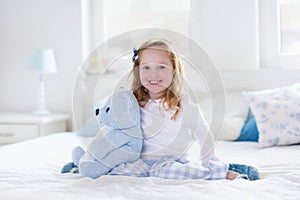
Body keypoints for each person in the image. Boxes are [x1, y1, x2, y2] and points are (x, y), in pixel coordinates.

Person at [106, 38, 260, 180]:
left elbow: (203, 134)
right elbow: (115, 129)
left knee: (166, 172)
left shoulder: (183, 104)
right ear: (137, 71)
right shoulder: (132, 102)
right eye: (146, 67)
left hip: (171, 161)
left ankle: (222, 172)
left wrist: (209, 161)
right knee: (115, 170)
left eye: (161, 67)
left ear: (174, 71)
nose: (153, 74)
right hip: (142, 161)